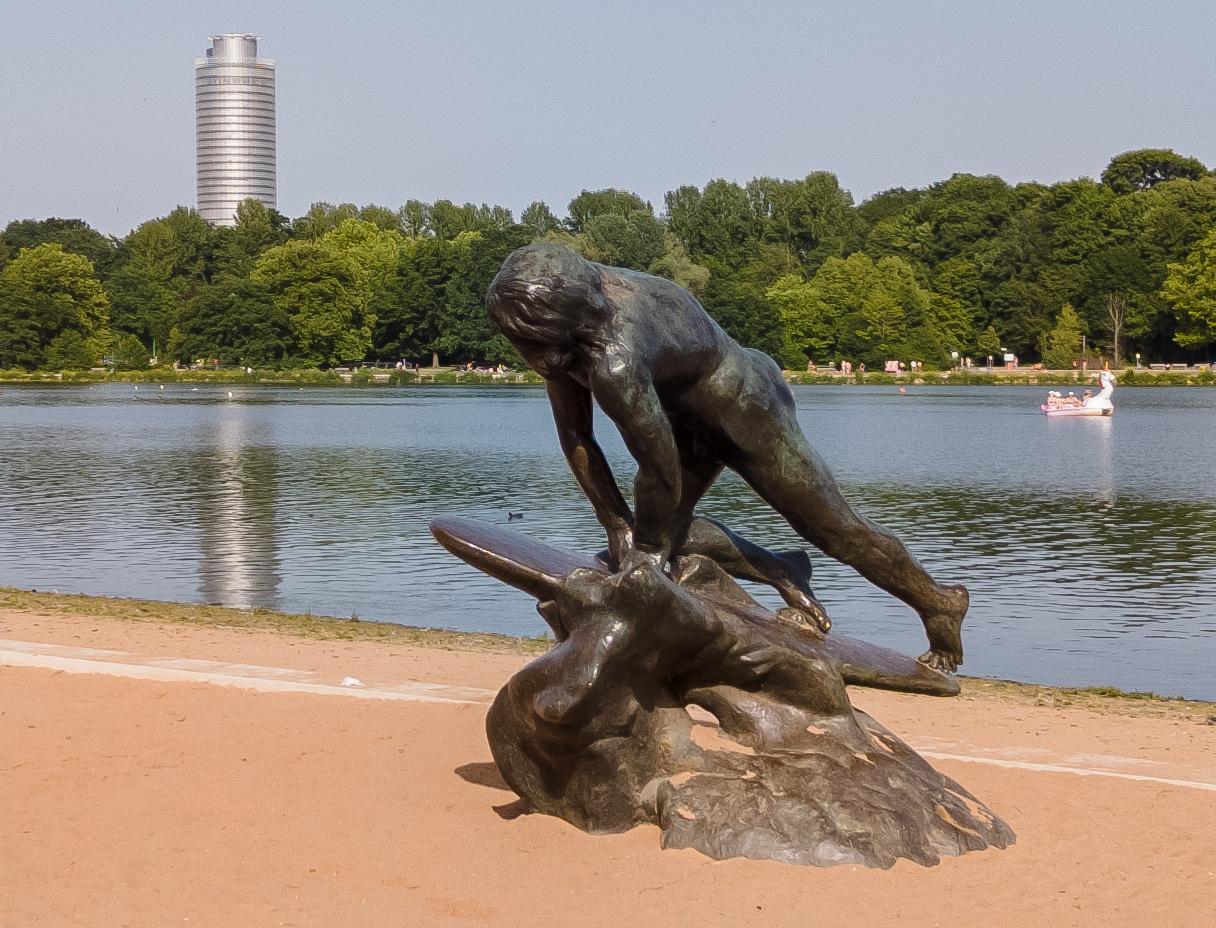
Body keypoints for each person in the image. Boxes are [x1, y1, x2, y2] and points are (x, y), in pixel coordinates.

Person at [486, 244, 968, 671]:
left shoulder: (615, 358)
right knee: (654, 540)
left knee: (833, 528)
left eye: (524, 340)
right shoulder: (576, 314)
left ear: (558, 328)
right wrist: (615, 524)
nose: (523, 351)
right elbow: (577, 435)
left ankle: (939, 603)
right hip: (687, 415)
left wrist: (645, 551)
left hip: (748, 408)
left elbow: (659, 469)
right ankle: (783, 569)